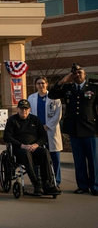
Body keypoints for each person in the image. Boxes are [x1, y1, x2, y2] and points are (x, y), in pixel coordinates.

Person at [48, 64, 98, 196]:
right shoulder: (68, 88)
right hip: (74, 129)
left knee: (93, 160)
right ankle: (82, 185)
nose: (77, 75)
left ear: (85, 73)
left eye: (79, 72)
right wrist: (63, 80)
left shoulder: (93, 88)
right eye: (74, 73)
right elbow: (52, 95)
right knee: (79, 160)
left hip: (90, 129)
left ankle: (95, 185)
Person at [3, 99, 60, 196]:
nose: (23, 111)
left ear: (29, 109)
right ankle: (36, 184)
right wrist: (22, 145)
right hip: (19, 149)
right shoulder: (12, 120)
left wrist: (36, 144)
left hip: (34, 147)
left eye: (26, 109)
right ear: (18, 109)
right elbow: (7, 137)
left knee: (45, 152)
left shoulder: (35, 119)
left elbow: (43, 136)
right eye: (21, 109)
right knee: (26, 153)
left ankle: (47, 184)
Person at [28, 76, 62, 185]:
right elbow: (30, 114)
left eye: (43, 83)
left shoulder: (54, 97)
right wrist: (37, 126)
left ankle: (56, 180)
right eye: (38, 83)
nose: (41, 85)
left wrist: (48, 125)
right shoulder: (31, 98)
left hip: (51, 130)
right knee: (38, 155)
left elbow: (58, 114)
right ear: (35, 85)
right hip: (37, 131)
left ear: (46, 84)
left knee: (54, 157)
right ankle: (39, 180)